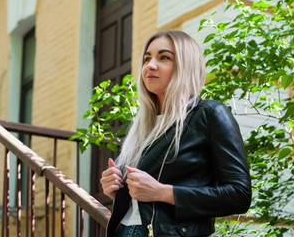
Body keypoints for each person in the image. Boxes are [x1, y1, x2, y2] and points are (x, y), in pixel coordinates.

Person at [100, 30, 251, 237]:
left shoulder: (209, 115)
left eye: (164, 57)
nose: (150, 66)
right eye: (147, 58)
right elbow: (139, 199)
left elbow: (239, 195)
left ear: (185, 65)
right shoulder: (142, 126)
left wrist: (162, 192)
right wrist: (116, 186)